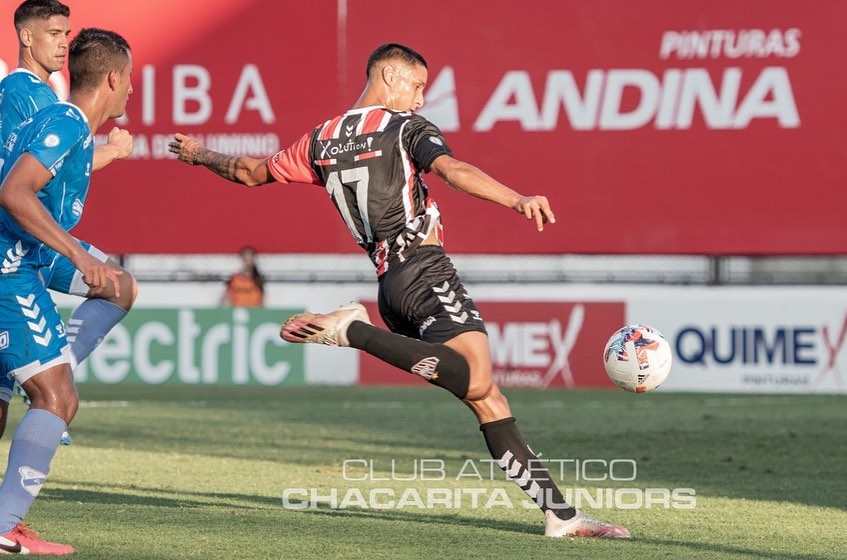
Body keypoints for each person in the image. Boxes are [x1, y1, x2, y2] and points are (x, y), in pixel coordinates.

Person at [169, 43, 630, 539]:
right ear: (389, 75)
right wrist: (516, 199)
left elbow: (249, 172)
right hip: (425, 272)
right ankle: (353, 331)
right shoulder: (405, 127)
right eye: (417, 85)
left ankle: (560, 516)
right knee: (478, 379)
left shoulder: (321, 140)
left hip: (391, 285)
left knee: (488, 400)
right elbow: (453, 170)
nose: (420, 98)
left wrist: (199, 155)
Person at [0, 26, 133, 555]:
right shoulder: (64, 119)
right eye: (129, 79)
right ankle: (4, 525)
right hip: (10, 266)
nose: (131, 90)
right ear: (113, 78)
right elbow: (14, 192)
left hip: (23, 256)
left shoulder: (62, 122)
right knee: (56, 397)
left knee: (118, 285)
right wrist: (78, 255)